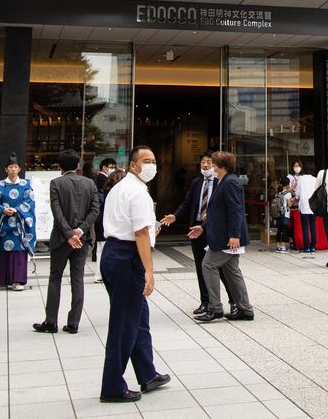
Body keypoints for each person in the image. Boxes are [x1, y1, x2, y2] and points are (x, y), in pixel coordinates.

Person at [99, 146, 170, 404]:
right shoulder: (137, 192)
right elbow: (139, 233)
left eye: (153, 160)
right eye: (145, 161)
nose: (151, 165)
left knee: (139, 316)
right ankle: (112, 386)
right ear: (132, 165)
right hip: (127, 257)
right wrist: (150, 271)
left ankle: (147, 373)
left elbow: (136, 227)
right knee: (124, 323)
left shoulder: (121, 188)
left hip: (115, 253)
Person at [34, 148, 100, 335]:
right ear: (77, 165)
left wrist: (68, 233)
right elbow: (95, 211)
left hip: (62, 239)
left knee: (55, 278)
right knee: (77, 280)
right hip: (83, 238)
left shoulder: (56, 183)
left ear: (60, 166)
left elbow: (57, 212)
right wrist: (79, 231)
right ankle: (74, 323)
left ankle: (51, 321)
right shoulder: (90, 183)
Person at [160, 151, 233, 316]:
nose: (206, 165)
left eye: (209, 162)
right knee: (201, 267)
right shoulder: (196, 183)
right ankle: (205, 302)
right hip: (197, 228)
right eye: (203, 162)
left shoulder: (222, 182)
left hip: (215, 229)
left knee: (221, 268)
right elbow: (187, 203)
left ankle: (233, 301)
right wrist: (175, 215)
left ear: (215, 165)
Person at [192, 151, 256, 323]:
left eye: (212, 163)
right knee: (232, 271)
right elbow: (221, 210)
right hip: (224, 235)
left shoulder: (230, 182)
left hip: (227, 237)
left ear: (221, 166)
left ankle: (215, 308)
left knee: (207, 264)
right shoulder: (224, 181)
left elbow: (235, 210)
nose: (209, 166)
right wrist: (204, 225)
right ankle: (245, 308)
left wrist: (235, 235)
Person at [0, 153, 36, 290]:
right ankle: (2, 280)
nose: (13, 169)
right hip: (3, 223)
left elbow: (30, 202)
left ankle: (17, 280)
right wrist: (2, 210)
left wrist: (17, 209)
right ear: (6, 169)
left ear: (19, 169)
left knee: (18, 251)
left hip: (19, 224)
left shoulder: (25, 185)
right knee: (3, 251)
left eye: (15, 167)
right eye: (10, 167)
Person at [91, 157, 116, 264]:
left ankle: (95, 254)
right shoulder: (103, 179)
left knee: (100, 239)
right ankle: (96, 256)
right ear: (104, 167)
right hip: (102, 213)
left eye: (114, 167)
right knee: (101, 239)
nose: (113, 169)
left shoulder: (102, 178)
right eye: (111, 167)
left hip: (100, 214)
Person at [294, 162, 319, 255]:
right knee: (313, 226)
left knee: (305, 227)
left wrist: (296, 198)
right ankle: (313, 246)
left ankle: (306, 247)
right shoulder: (315, 179)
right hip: (313, 206)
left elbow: (297, 193)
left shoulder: (301, 179)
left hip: (304, 205)